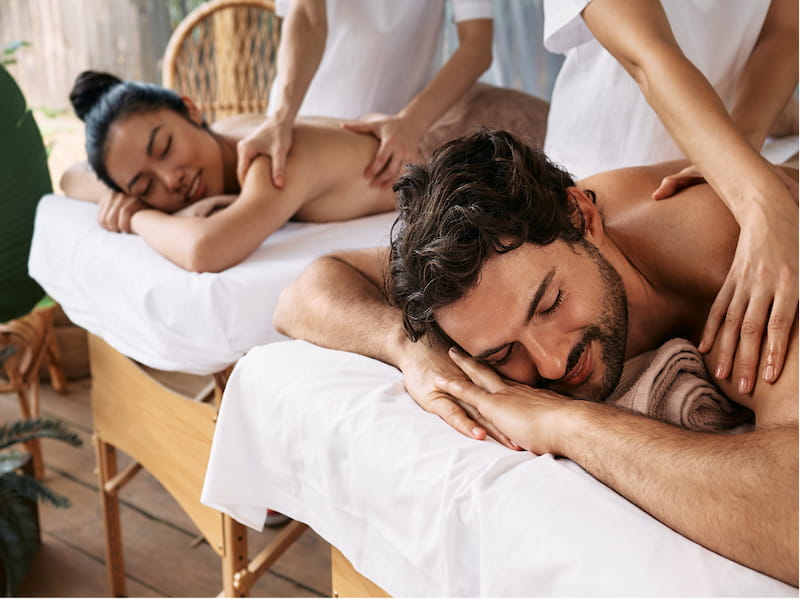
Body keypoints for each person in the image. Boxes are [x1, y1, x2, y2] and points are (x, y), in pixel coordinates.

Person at [273, 129, 798, 585]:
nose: (549, 366)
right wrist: (410, 347)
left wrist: (569, 423)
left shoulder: (738, 267)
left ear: (583, 216)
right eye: (503, 352)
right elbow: (305, 291)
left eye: (549, 303)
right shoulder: (493, 263)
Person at [541, 0, 799, 401]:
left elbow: (785, 31)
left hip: (718, 169)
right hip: (606, 186)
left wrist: (738, 159)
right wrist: (761, 201)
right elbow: (647, 55)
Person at [61, 71, 398, 273]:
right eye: (146, 186)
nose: (170, 179)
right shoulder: (225, 133)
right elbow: (71, 177)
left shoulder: (271, 158)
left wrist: (135, 214)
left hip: (446, 192)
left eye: (164, 148)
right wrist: (119, 195)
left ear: (191, 110)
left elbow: (204, 250)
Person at [235, 0, 494, 190]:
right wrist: (282, 117)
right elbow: (308, 16)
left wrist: (411, 123)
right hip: (296, 126)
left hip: (388, 145)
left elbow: (477, 45)